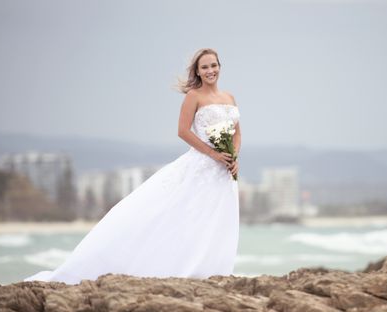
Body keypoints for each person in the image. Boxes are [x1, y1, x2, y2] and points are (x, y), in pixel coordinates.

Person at [24, 48, 241, 284]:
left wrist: (232, 157)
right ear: (198, 72)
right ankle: (180, 267)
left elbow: (237, 133)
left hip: (223, 172)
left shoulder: (229, 97)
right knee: (180, 216)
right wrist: (212, 154)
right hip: (200, 166)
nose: (211, 71)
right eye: (205, 67)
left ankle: (210, 271)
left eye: (214, 65)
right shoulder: (194, 96)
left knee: (213, 220)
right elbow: (182, 131)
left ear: (220, 66)